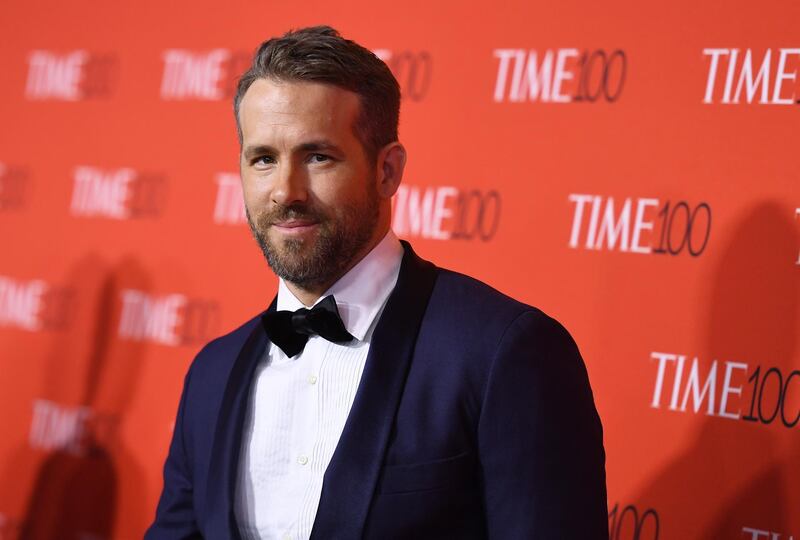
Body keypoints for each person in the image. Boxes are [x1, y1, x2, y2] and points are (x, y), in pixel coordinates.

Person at [146, 25, 608, 540]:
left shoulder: (502, 353)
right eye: (263, 159)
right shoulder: (212, 373)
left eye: (318, 156)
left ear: (387, 171)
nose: (285, 191)